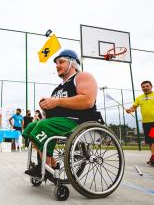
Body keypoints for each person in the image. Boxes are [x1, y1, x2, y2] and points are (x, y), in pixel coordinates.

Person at [23, 49, 102, 177]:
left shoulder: (82, 76)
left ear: (72, 63)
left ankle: (45, 166)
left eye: (61, 62)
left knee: (43, 126)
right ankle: (51, 164)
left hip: (80, 121)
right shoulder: (58, 88)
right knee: (30, 128)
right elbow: (54, 112)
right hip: (62, 122)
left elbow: (88, 101)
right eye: (56, 63)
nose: (57, 66)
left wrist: (57, 102)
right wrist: (46, 107)